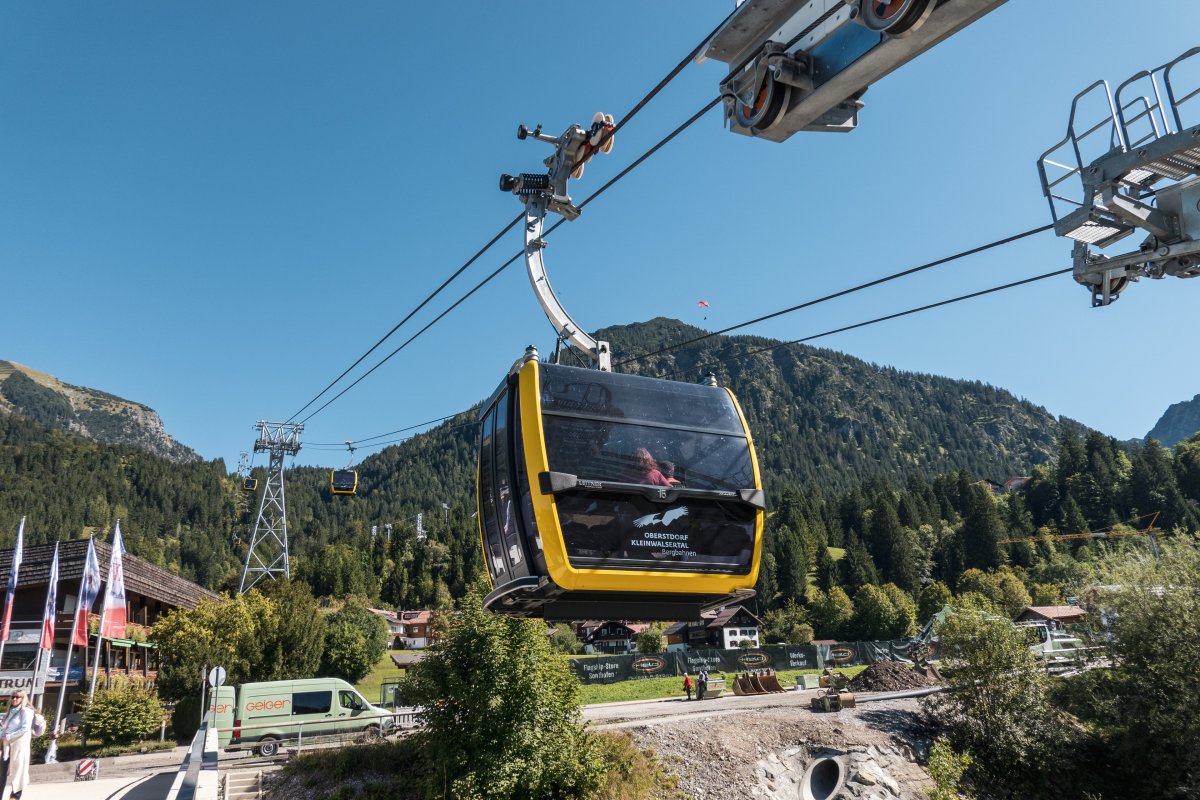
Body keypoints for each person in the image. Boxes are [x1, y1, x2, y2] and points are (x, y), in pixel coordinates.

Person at [2, 689, 35, 800]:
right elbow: (5, 728)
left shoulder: (26, 711)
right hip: (7, 746)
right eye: (13, 697)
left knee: (19, 771)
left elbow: (25, 728)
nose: (14, 699)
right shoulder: (10, 711)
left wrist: (9, 736)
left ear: (23, 699)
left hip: (19, 745)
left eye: (17, 697)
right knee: (2, 771)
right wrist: (3, 735)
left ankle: (15, 796)